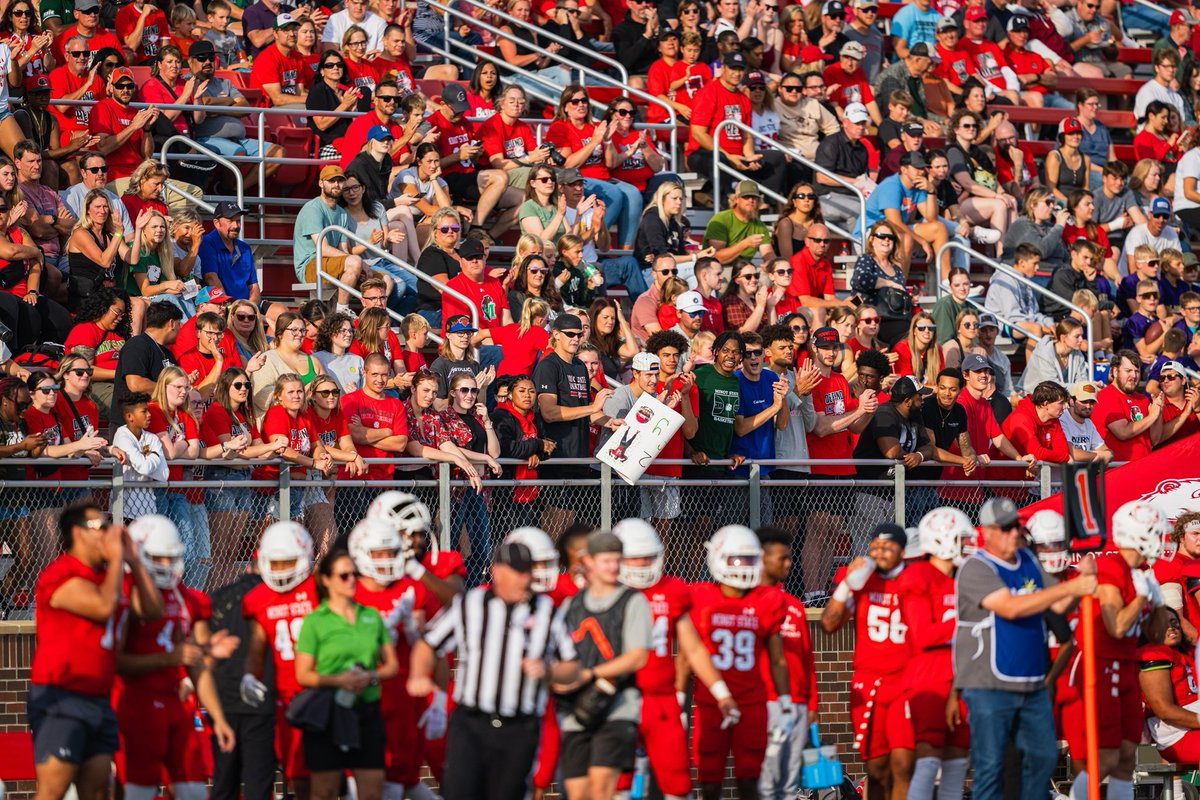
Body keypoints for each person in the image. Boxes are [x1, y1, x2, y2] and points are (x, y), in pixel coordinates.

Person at [409, 540, 580, 800]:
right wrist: (419, 674)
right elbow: (429, 644)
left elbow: (573, 666)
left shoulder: (548, 612)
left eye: (527, 572)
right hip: (471, 723)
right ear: (497, 571)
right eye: (517, 572)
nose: (524, 579)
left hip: (519, 727)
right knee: (460, 793)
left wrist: (550, 671)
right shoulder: (470, 605)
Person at [951, 496, 1096, 799]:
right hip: (989, 682)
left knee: (1042, 757)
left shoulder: (1028, 560)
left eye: (1014, 526)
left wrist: (1085, 580)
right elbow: (1010, 608)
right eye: (1003, 528)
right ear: (987, 531)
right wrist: (1073, 587)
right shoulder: (975, 567)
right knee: (992, 766)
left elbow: (1057, 602)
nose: (1011, 532)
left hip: (1031, 682)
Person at [27, 503, 163, 800]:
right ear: (78, 533)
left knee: (99, 790)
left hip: (98, 697)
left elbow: (153, 610)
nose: (108, 532)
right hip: (62, 693)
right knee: (54, 790)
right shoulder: (60, 572)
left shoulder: (112, 576)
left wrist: (134, 562)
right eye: (100, 526)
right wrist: (117, 561)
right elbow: (103, 607)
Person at [1062, 501, 1166, 800]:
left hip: (1126, 666)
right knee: (1104, 758)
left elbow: (1156, 635)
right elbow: (1116, 626)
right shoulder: (1111, 566)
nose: (1161, 540)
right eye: (1157, 533)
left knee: (1126, 757)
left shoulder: (1141, 571)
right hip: (1100, 665)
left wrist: (1156, 601)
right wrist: (1141, 597)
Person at [688, 525, 789, 800]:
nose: (743, 567)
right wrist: (677, 696)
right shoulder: (699, 596)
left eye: (749, 560)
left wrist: (785, 702)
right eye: (737, 560)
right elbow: (687, 654)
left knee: (749, 781)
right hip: (710, 702)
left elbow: (778, 658)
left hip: (751, 701)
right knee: (709, 782)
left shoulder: (767, 599)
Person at [292, 547, 397, 800]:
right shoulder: (315, 621)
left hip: (366, 710)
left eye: (354, 574)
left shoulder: (370, 615)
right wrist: (340, 680)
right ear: (326, 580)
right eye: (344, 575)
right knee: (324, 792)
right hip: (330, 711)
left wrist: (370, 676)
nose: (352, 580)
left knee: (372, 792)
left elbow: (391, 665)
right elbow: (303, 674)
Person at [820, 522, 913, 798]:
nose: (881, 553)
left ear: (902, 550)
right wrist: (847, 583)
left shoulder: (916, 578)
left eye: (888, 547)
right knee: (875, 766)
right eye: (875, 547)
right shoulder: (862, 578)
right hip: (869, 682)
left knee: (903, 765)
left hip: (905, 682)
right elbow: (828, 623)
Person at [556, 531, 651, 800]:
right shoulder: (571, 605)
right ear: (589, 563)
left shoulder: (632, 600)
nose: (613, 567)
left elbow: (637, 656)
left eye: (617, 560)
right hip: (576, 709)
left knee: (601, 791)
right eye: (606, 560)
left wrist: (591, 674)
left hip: (618, 707)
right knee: (577, 794)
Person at [238, 522, 318, 800]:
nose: (282, 570)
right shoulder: (258, 598)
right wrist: (249, 675)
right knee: (297, 776)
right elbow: (256, 649)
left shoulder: (321, 589)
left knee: (325, 780)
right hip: (283, 698)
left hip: (321, 692)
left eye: (288, 562)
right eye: (276, 562)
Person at [686, 51, 786, 200]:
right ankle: (723, 201)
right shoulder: (709, 92)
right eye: (733, 68)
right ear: (724, 68)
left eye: (740, 69)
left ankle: (766, 204)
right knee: (720, 159)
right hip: (704, 153)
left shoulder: (743, 98)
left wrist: (750, 156)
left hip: (737, 155)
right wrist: (730, 157)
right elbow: (698, 133)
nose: (737, 73)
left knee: (777, 158)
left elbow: (747, 136)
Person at [294, 166, 365, 312]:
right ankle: (342, 310)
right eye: (331, 181)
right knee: (355, 262)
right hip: (310, 265)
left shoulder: (342, 213)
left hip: (331, 262)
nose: (336, 185)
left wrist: (361, 265)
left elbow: (343, 249)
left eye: (340, 181)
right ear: (321, 183)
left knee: (384, 280)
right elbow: (323, 249)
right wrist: (356, 261)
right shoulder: (312, 208)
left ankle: (371, 318)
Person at [1093, 349, 1161, 462]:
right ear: (1115, 372)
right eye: (1128, 370)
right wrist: (1152, 416)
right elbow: (1122, 432)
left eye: (1137, 371)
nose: (1133, 375)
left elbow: (1155, 440)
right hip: (1117, 471)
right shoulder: (1105, 396)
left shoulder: (1143, 398)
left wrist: (1158, 410)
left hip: (1144, 468)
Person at [702, 180, 773, 265]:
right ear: (736, 199)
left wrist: (771, 266)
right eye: (746, 196)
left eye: (754, 197)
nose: (751, 200)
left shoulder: (759, 225)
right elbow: (716, 257)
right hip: (718, 268)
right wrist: (745, 243)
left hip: (745, 270)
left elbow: (768, 253)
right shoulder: (721, 219)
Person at [1022, 318, 1089, 390]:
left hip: (1062, 395)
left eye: (1082, 335)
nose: (1081, 339)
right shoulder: (1045, 353)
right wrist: (1080, 387)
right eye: (1077, 336)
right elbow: (1050, 385)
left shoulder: (1077, 352)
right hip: (1033, 394)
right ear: (1063, 337)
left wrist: (1090, 387)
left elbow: (1082, 379)